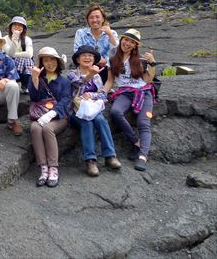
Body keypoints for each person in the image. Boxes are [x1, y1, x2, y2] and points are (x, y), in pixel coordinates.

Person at [103, 29, 157, 172]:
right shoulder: (113, 57)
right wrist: (101, 93)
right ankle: (136, 142)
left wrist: (152, 64)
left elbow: (148, 80)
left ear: (135, 46)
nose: (127, 43)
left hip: (143, 93)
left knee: (143, 123)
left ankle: (143, 157)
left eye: (132, 42)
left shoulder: (140, 60)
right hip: (125, 92)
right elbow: (110, 81)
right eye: (126, 40)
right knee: (115, 112)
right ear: (121, 39)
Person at [68, 45, 121, 177]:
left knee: (101, 121)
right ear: (78, 59)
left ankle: (110, 156)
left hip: (92, 108)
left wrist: (91, 96)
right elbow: (77, 85)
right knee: (87, 124)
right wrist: (89, 75)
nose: (87, 57)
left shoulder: (97, 77)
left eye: (90, 56)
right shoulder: (72, 74)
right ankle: (90, 160)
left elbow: (102, 93)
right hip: (76, 110)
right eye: (84, 55)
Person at [28, 47, 71, 187]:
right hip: (40, 115)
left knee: (47, 129)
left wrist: (52, 114)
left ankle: (53, 167)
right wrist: (34, 78)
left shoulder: (64, 82)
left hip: (59, 117)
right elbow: (34, 97)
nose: (49, 63)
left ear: (58, 62)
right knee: (35, 127)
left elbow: (65, 100)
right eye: (45, 60)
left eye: (52, 59)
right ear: (41, 63)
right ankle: (43, 167)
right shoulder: (37, 77)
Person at [74, 5, 118, 84]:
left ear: (103, 19)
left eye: (97, 17)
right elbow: (77, 50)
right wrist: (98, 58)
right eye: (91, 17)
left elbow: (117, 52)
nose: (94, 20)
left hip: (106, 68)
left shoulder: (112, 33)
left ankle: (105, 88)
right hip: (87, 65)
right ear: (88, 20)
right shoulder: (81, 33)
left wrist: (110, 35)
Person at [3, 16, 35, 94]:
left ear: (24, 28)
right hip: (8, 65)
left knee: (27, 60)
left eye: (20, 25)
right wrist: (15, 38)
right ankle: (12, 83)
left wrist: (15, 55)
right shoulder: (4, 39)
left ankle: (25, 84)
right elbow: (9, 54)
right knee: (15, 59)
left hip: (23, 67)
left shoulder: (27, 39)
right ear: (11, 27)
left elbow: (29, 54)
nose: (17, 27)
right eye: (15, 25)